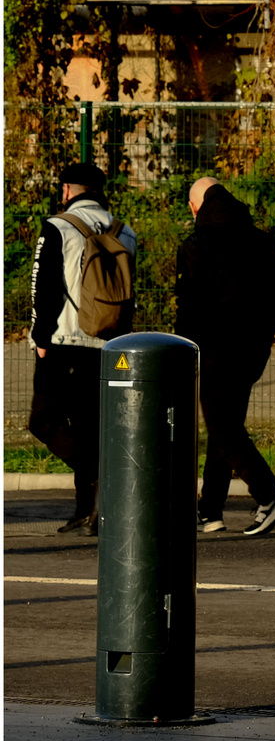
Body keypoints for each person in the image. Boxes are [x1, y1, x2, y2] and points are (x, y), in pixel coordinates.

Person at [176, 177, 275, 536]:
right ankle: (210, 511)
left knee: (222, 428)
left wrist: (185, 351)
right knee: (225, 426)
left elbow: (188, 308)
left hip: (212, 350)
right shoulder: (260, 241)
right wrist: (262, 325)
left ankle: (269, 495)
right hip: (252, 350)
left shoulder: (197, 245)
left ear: (195, 207)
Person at [30, 162, 138, 536]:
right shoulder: (125, 232)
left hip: (63, 341)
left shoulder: (57, 227)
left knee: (44, 421)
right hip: (109, 344)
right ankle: (88, 511)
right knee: (92, 427)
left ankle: (98, 482)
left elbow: (43, 287)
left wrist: (39, 338)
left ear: (67, 190)